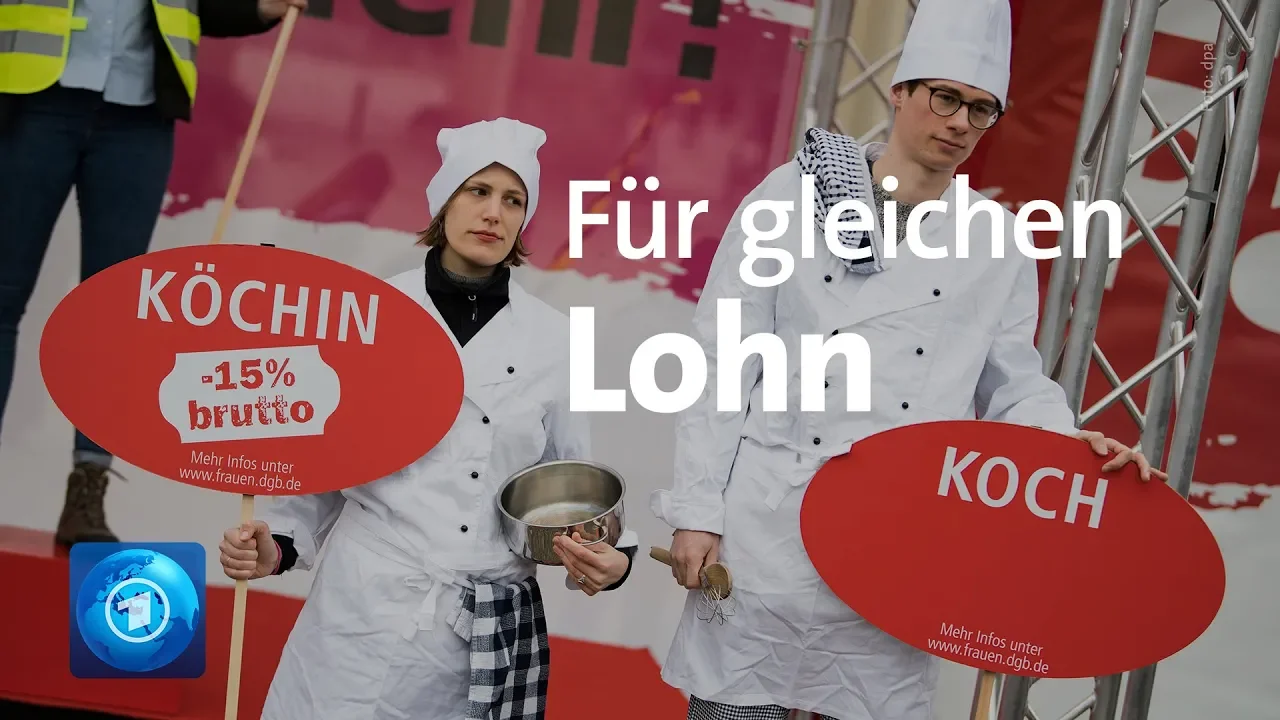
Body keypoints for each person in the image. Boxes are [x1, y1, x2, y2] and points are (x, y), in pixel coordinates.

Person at [649, 1, 1169, 718]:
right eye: (945, 97)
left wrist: (1072, 452)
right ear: (901, 91)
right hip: (767, 531)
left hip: (897, 548)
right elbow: (722, 363)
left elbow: (1014, 386)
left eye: (981, 109)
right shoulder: (791, 197)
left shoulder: (996, 241)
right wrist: (696, 511)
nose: (959, 123)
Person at [217, 117, 640, 720]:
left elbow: (570, 484)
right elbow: (324, 464)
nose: (493, 213)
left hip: (486, 630)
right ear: (444, 200)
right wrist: (277, 546)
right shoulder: (370, 313)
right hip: (363, 610)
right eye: (478, 191)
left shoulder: (556, 339)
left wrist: (611, 561)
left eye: (513, 200)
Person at [0, 0, 308, 547]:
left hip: (139, 116)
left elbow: (195, 7)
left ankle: (88, 487)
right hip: (31, 102)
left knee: (114, 315)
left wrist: (257, 8)